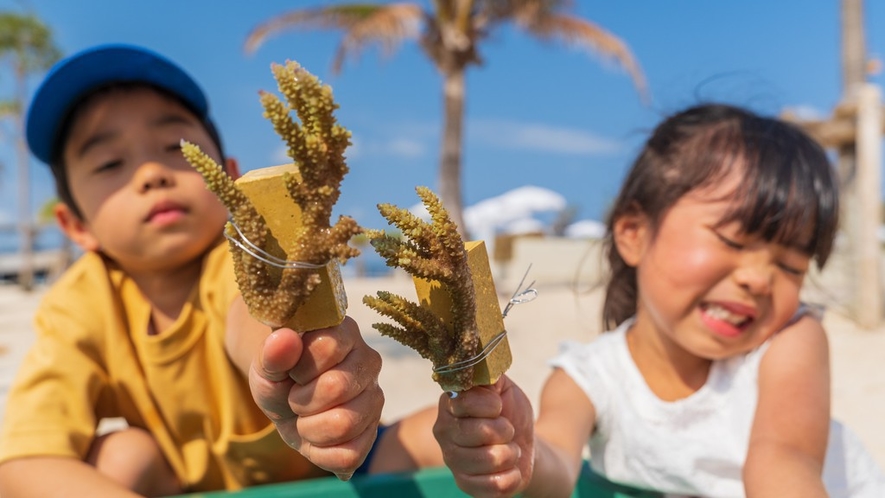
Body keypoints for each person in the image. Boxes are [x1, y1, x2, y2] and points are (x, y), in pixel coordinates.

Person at [0, 43, 439, 497]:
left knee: (462, 438)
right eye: (111, 163)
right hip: (179, 484)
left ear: (231, 183)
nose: (152, 173)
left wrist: (282, 368)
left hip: (341, 473)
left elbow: (249, 313)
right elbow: (23, 463)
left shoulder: (242, 256)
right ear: (76, 226)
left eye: (177, 148)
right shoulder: (79, 305)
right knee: (123, 454)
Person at [433, 103, 885, 497]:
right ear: (634, 234)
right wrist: (520, 454)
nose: (760, 280)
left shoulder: (790, 341)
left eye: (791, 267)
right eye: (734, 240)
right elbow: (557, 463)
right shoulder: (591, 378)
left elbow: (784, 460)